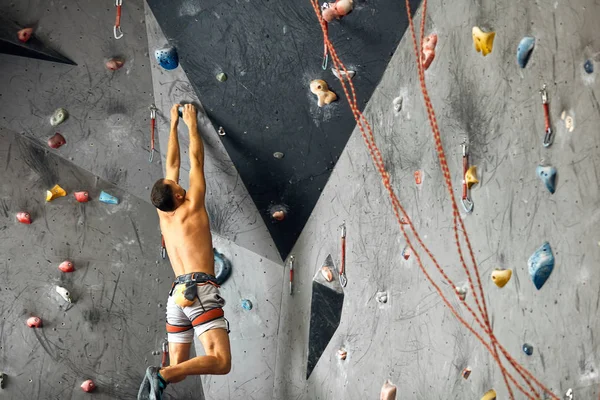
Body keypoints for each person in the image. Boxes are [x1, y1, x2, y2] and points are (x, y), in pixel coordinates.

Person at [138, 104, 231, 400]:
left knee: (180, 366)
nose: (178, 182)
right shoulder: (191, 206)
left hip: (176, 296)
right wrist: (191, 123)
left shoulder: (162, 210)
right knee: (220, 362)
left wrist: (173, 122)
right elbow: (195, 161)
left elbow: (172, 162)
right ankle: (161, 373)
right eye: (177, 185)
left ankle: (166, 374)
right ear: (178, 195)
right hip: (198, 289)